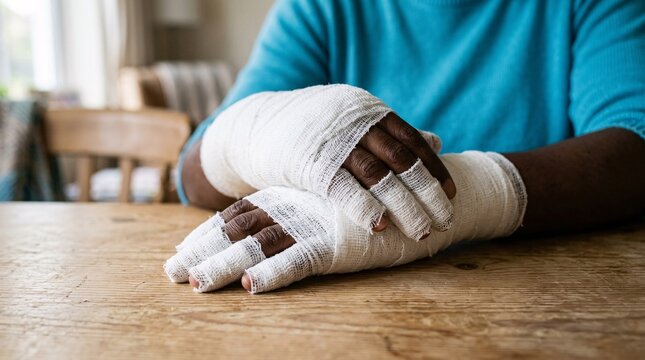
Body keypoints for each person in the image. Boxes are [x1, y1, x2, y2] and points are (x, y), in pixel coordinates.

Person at [170, 0, 645, 293]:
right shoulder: (319, 7)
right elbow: (195, 169)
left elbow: (634, 146)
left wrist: (455, 202)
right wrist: (265, 131)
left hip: (550, 302)